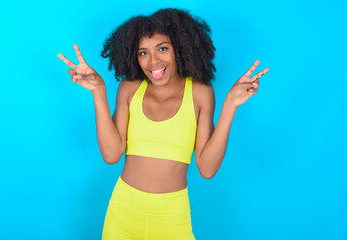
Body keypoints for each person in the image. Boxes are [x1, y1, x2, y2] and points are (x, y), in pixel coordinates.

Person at [58, 8, 268, 240]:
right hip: (123, 212)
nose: (154, 61)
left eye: (163, 49)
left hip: (171, 218)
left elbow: (207, 169)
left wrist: (230, 105)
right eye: (143, 53)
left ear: (180, 48)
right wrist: (98, 91)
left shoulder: (200, 93)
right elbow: (111, 155)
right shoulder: (130, 88)